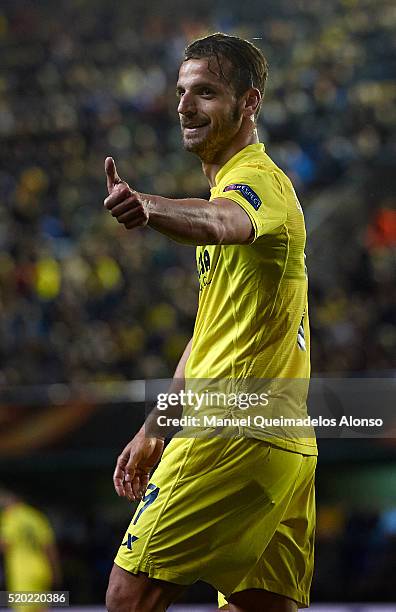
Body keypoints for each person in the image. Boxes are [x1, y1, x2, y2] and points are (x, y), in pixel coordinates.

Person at [104, 33, 317, 612]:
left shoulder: (258, 180)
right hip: (286, 446)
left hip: (230, 431)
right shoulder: (231, 183)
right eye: (181, 92)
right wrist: (154, 429)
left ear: (249, 104)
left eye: (206, 92)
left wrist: (148, 206)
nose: (185, 106)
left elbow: (226, 222)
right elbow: (209, 338)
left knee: (128, 597)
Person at [0, 489, 61, 610]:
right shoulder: (36, 517)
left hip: (22, 573)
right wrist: (55, 571)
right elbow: (49, 547)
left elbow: (4, 545)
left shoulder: (11, 517)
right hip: (42, 570)